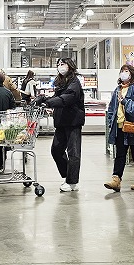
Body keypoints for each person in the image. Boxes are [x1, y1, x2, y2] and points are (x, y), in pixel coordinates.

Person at [36, 57, 85, 192]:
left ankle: (72, 182)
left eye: (62, 64)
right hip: (61, 121)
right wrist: (44, 99)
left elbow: (67, 98)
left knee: (73, 152)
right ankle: (68, 176)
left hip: (73, 121)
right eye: (58, 64)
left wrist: (49, 103)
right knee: (56, 150)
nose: (60, 66)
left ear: (70, 66)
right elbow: (58, 97)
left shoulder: (74, 82)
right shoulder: (62, 82)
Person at [105, 64, 134, 191]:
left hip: (132, 126)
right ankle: (116, 180)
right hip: (119, 127)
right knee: (120, 154)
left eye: (126, 71)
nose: (124, 73)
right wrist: (110, 121)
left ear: (131, 74)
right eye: (122, 71)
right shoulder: (117, 89)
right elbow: (112, 108)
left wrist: (125, 102)